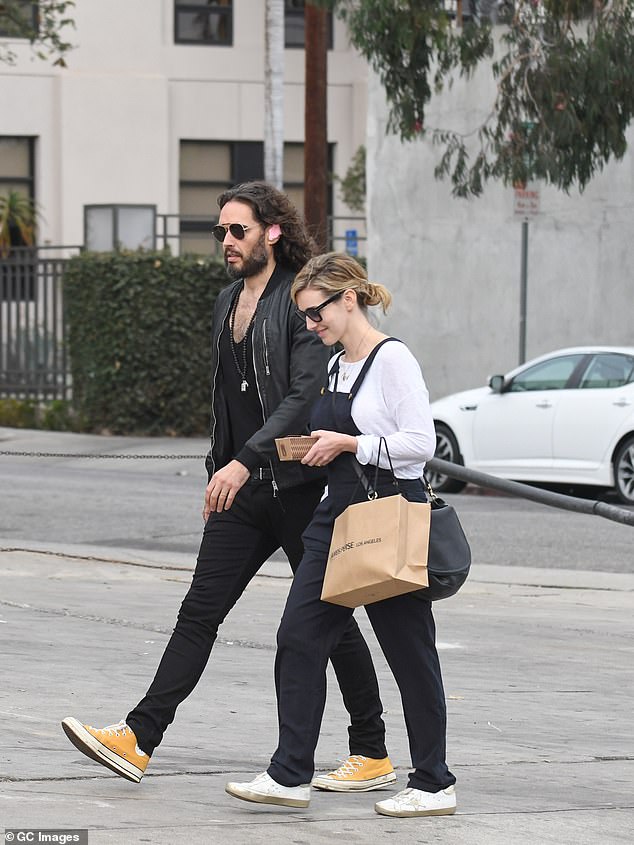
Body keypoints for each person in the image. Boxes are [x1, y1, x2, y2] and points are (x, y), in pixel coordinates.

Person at [61, 184, 395, 793]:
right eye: (220, 233)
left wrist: (243, 461)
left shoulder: (300, 299)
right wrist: (221, 468)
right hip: (240, 492)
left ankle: (370, 750)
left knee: (332, 622)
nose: (226, 243)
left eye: (237, 231)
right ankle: (138, 738)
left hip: (299, 486)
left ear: (271, 231)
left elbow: (302, 398)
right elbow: (225, 397)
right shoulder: (224, 303)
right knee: (199, 611)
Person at [225, 252, 457, 818]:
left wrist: (353, 444)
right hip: (337, 516)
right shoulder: (335, 367)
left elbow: (419, 445)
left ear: (347, 299)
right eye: (305, 317)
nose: (311, 325)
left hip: (390, 512)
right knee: (298, 636)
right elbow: (334, 437)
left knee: (409, 652)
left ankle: (433, 782)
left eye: (315, 313)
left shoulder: (392, 359)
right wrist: (306, 448)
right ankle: (289, 774)